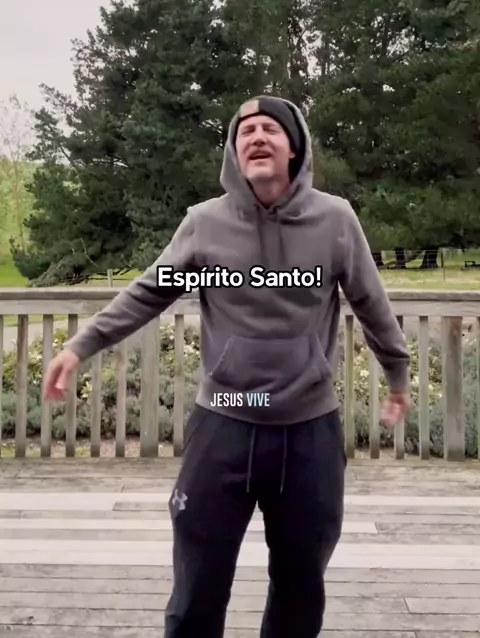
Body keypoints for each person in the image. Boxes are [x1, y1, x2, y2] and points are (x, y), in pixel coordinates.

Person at [44, 95, 411, 638]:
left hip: (308, 432)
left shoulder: (335, 220)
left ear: (294, 147)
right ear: (234, 153)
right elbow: (150, 292)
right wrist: (81, 345)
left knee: (300, 586)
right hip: (224, 422)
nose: (256, 137)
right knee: (198, 584)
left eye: (270, 129)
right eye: (245, 131)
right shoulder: (205, 223)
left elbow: (371, 302)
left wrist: (397, 373)